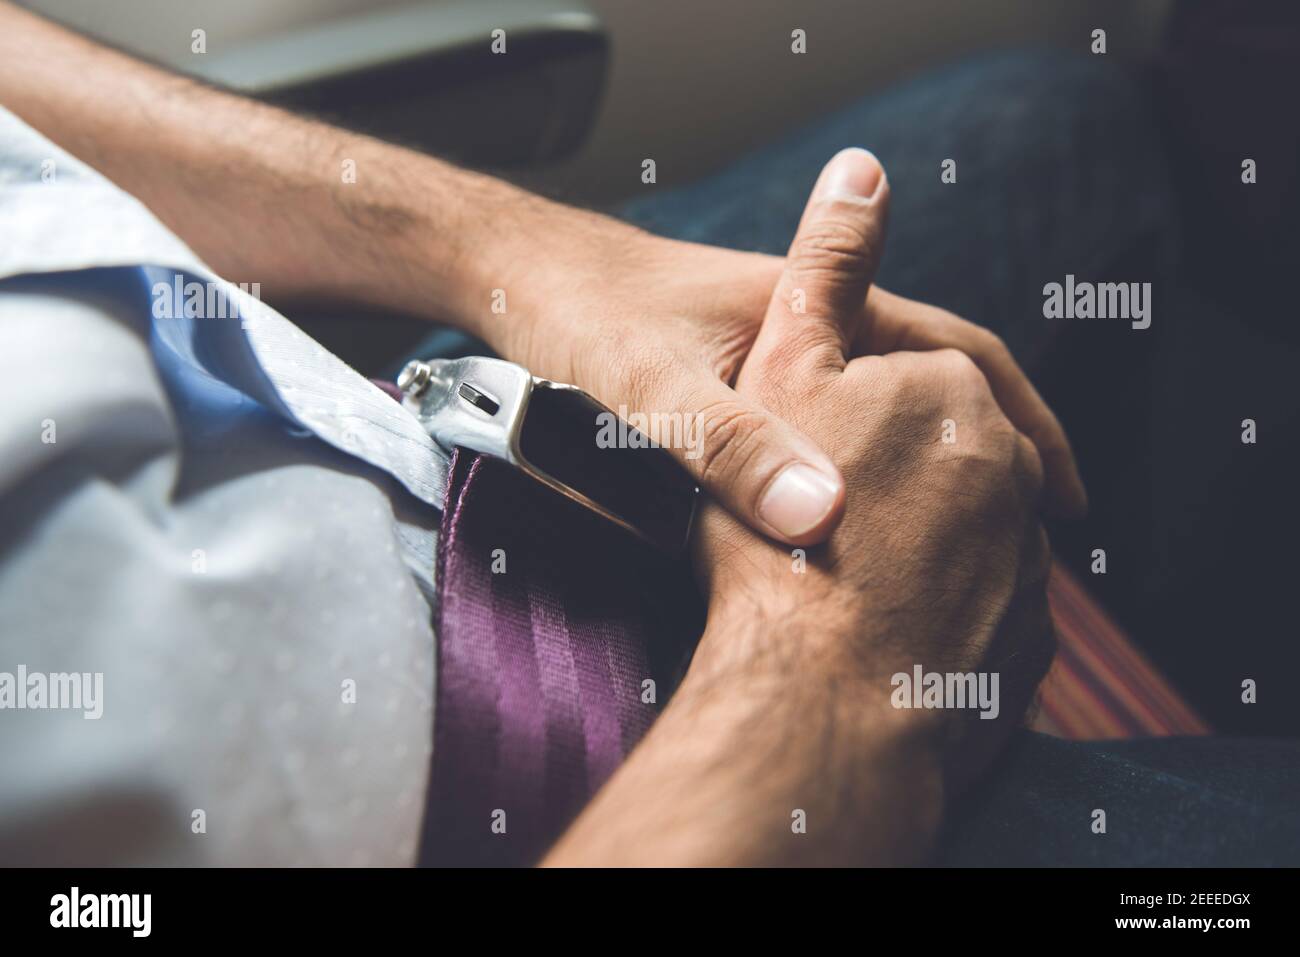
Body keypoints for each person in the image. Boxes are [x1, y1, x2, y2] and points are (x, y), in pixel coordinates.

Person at [1, 2, 1296, 866]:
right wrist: (830, 689)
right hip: (653, 795)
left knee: (1056, 126)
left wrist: (513, 252)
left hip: (430, 442)